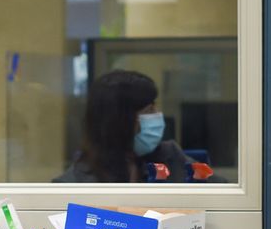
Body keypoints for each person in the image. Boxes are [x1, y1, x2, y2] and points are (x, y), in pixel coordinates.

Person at [56, 69, 192, 182]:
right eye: (149, 110)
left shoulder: (171, 156)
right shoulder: (75, 183)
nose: (158, 115)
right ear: (120, 120)